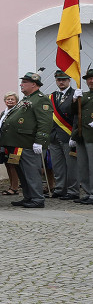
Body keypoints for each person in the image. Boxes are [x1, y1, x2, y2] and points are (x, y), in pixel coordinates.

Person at [0, 72, 53, 208]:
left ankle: (37, 199)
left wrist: (40, 141)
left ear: (34, 84)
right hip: (18, 143)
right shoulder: (26, 98)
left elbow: (45, 122)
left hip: (29, 143)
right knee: (22, 173)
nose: (21, 84)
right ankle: (28, 197)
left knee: (31, 172)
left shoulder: (41, 99)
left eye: (24, 82)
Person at [48, 70, 78, 200]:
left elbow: (77, 116)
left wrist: (75, 135)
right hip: (54, 135)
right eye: (59, 80)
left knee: (71, 165)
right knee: (57, 165)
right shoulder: (52, 96)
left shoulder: (75, 94)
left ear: (69, 80)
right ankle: (60, 189)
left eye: (64, 80)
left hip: (68, 134)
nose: (61, 82)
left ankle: (73, 190)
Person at [71, 69, 93, 204]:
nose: (91, 81)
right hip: (82, 135)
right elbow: (74, 113)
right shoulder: (83, 95)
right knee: (83, 166)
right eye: (88, 79)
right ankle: (88, 191)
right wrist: (74, 100)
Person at [0, 92, 20, 195]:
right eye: (8, 99)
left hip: (14, 143)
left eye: (12, 99)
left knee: (13, 164)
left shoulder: (18, 111)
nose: (10, 101)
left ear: (16, 101)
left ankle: (15, 187)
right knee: (7, 164)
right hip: (4, 142)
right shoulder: (3, 112)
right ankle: (11, 185)